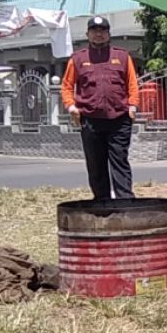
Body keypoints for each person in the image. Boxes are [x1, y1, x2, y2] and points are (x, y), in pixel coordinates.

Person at [61, 16, 139, 200]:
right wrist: (71, 106)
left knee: (119, 160)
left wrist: (133, 105)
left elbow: (132, 83)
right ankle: (102, 202)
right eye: (94, 31)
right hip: (90, 119)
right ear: (87, 34)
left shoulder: (121, 56)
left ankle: (125, 200)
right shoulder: (78, 59)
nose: (98, 34)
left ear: (108, 34)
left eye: (103, 30)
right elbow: (66, 86)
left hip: (119, 118)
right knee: (96, 164)